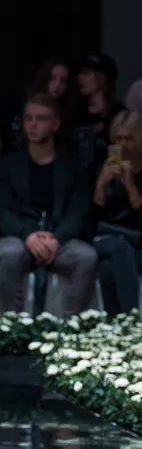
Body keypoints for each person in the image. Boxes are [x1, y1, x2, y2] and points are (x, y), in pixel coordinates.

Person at [0, 93, 96, 316]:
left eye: (40, 119)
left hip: (58, 240)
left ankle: (72, 328)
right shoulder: (8, 165)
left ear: (55, 124)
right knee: (8, 253)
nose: (33, 124)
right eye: (28, 118)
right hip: (20, 238)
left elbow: (78, 213)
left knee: (86, 256)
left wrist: (57, 238)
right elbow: (2, 211)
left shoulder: (72, 168)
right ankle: (8, 326)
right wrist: (27, 235)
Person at [92, 110, 142, 316]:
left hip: (136, 241)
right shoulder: (101, 168)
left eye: (129, 139)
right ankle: (131, 321)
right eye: (118, 138)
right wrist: (101, 185)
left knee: (108, 268)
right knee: (118, 248)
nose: (122, 145)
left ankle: (115, 326)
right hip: (105, 238)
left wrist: (130, 185)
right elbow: (92, 217)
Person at [0, 58, 72, 157]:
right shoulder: (24, 104)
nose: (57, 85)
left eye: (63, 81)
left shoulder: (67, 112)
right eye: (52, 78)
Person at [74, 54, 124, 173]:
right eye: (80, 73)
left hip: (108, 178)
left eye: (87, 73)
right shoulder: (75, 113)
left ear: (103, 77)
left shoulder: (118, 115)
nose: (80, 77)